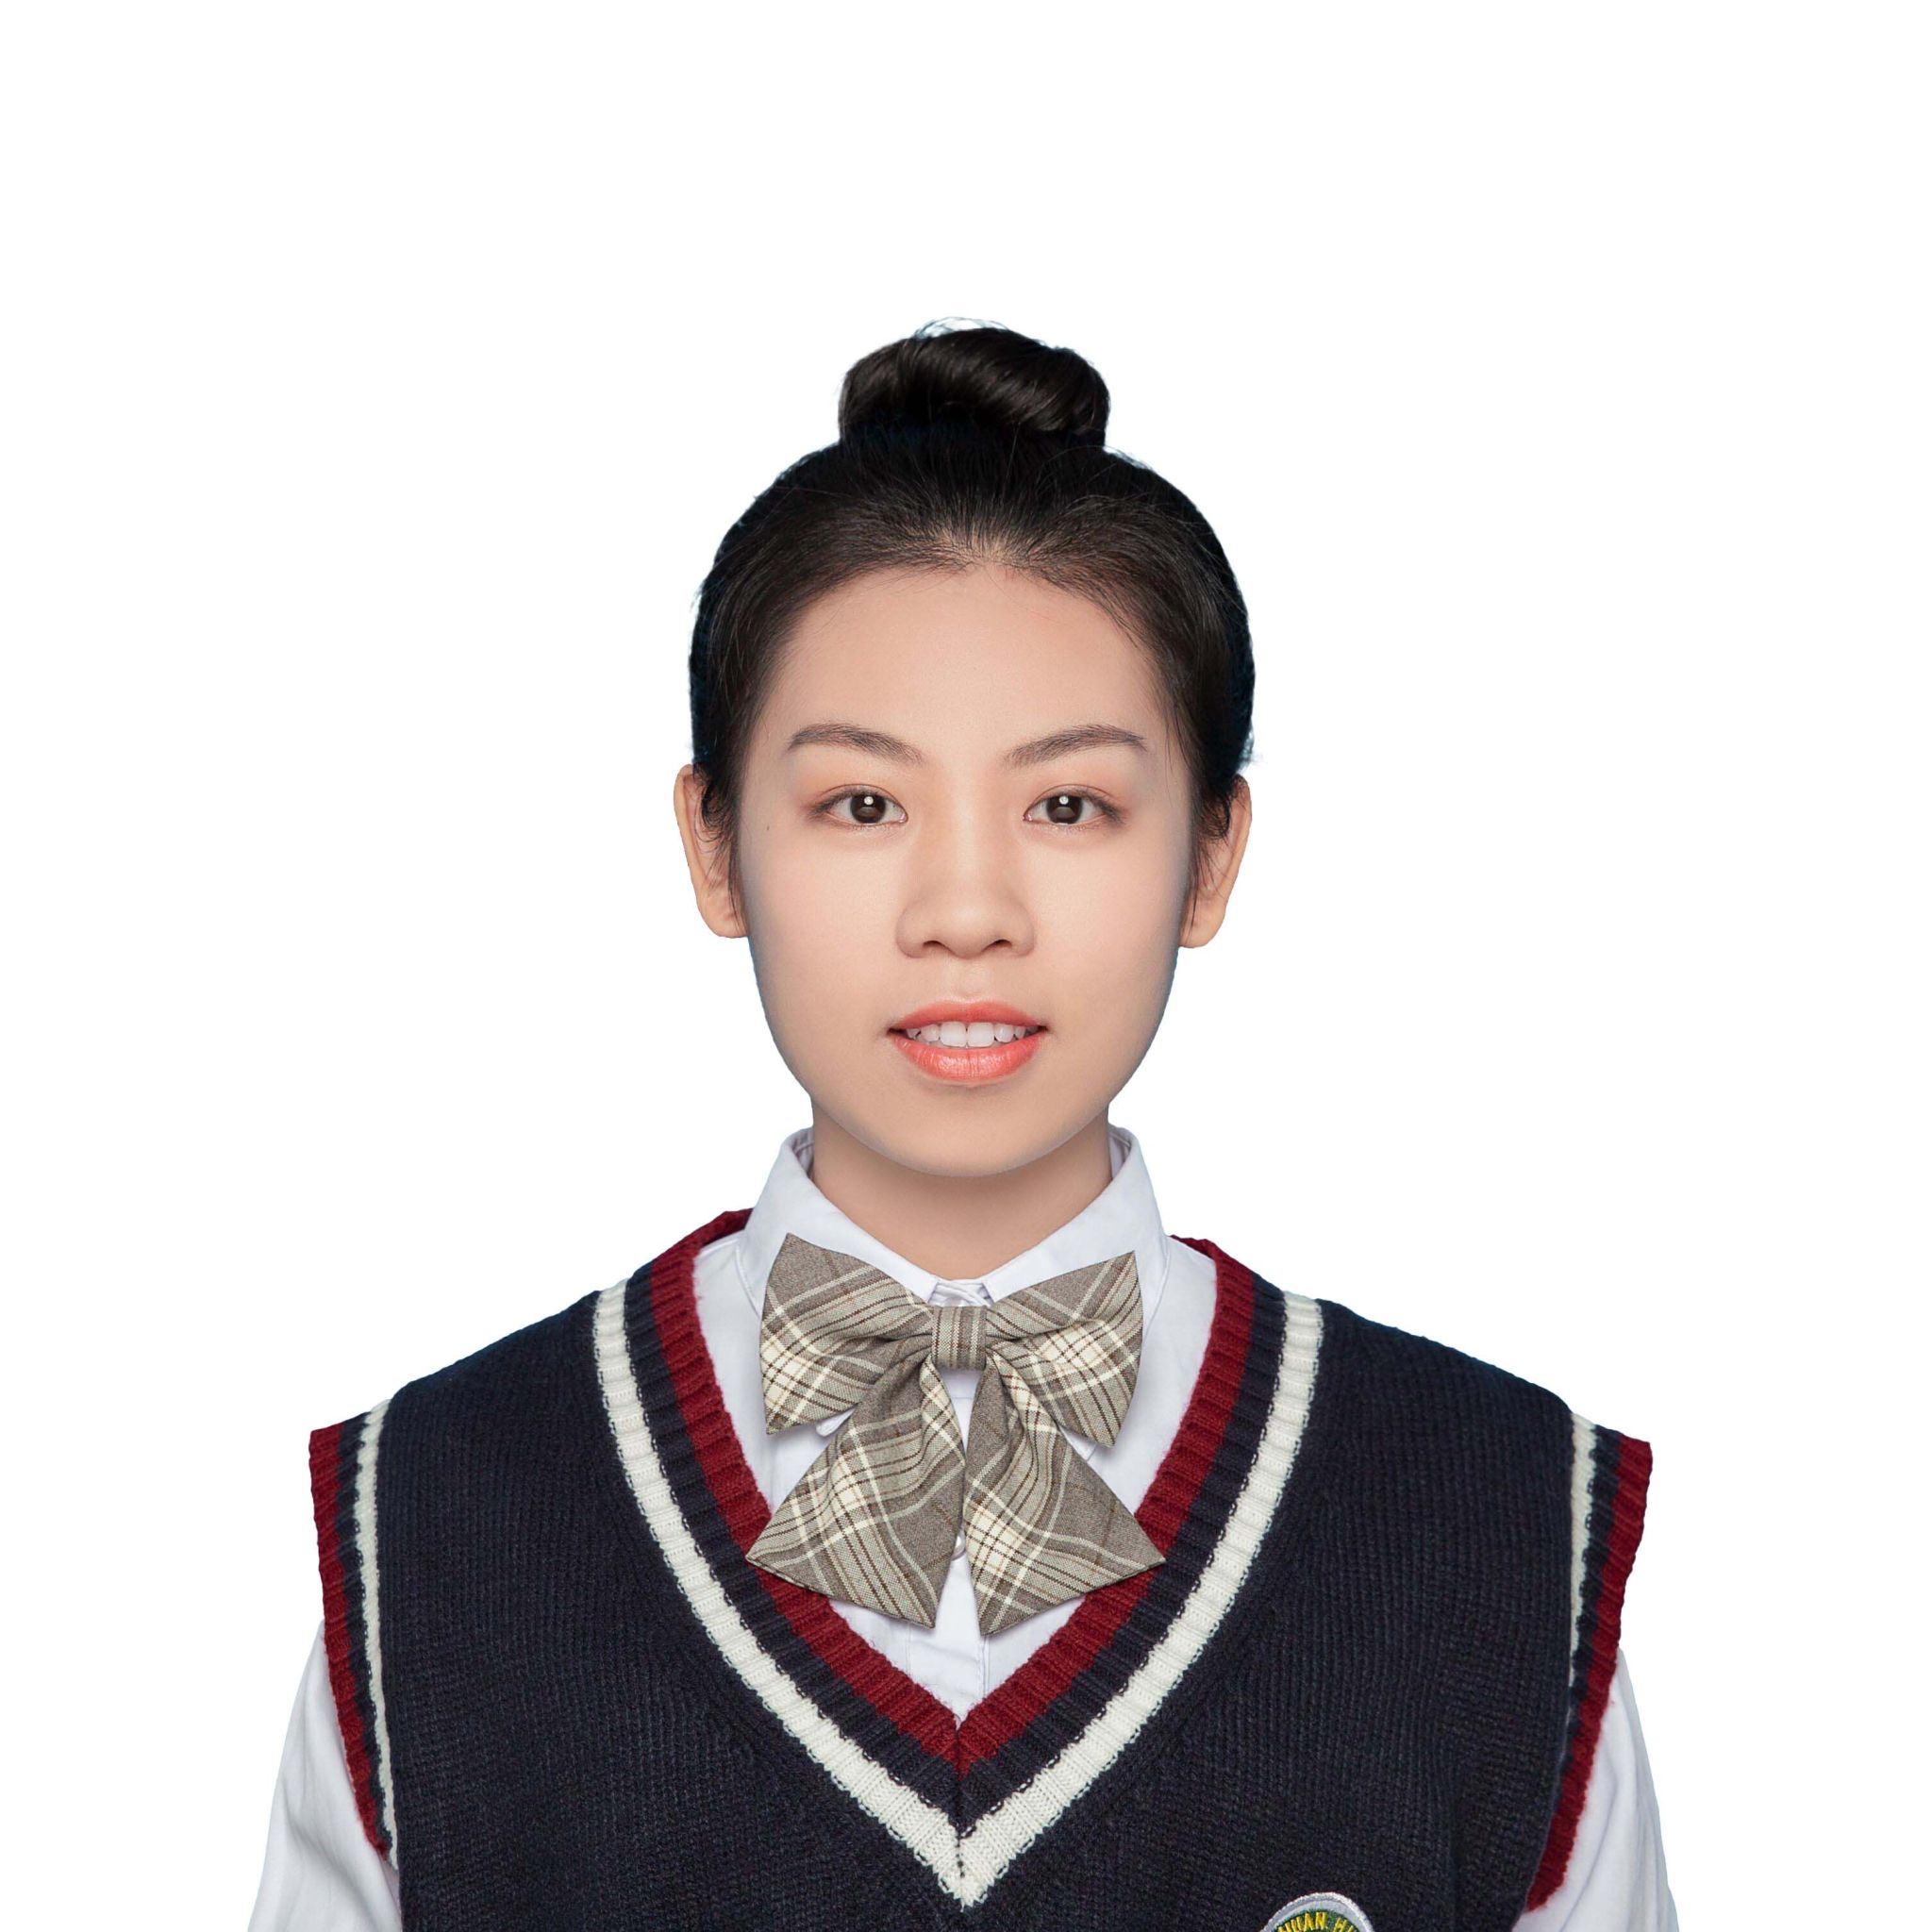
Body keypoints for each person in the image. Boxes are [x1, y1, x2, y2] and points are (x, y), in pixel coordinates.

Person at [248, 321, 1674, 1931]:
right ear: (713, 846)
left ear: (1213, 855)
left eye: (1069, 805)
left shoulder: (1495, 1527)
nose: (968, 908)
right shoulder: (439, 1528)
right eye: (863, 804)